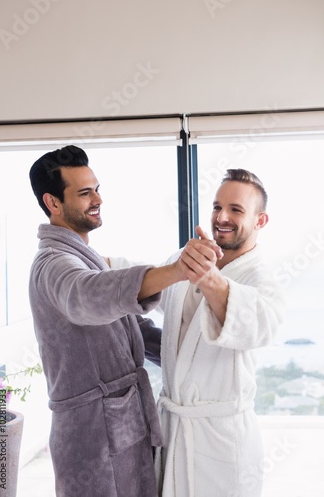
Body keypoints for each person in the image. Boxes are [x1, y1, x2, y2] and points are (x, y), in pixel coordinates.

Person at [28, 144, 217, 497]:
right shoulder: (54, 264)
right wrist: (176, 271)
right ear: (53, 203)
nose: (97, 199)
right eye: (84, 193)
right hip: (91, 433)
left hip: (122, 420)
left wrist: (197, 355)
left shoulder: (86, 257)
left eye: (97, 189)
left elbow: (131, 331)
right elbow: (89, 295)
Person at [109, 169, 285, 497]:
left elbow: (257, 327)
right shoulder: (183, 258)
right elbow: (150, 280)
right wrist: (95, 261)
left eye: (236, 209)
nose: (222, 216)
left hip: (223, 444)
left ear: (261, 221)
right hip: (175, 431)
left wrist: (208, 277)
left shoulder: (262, 281)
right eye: (218, 207)